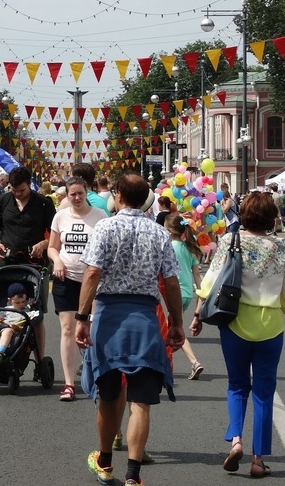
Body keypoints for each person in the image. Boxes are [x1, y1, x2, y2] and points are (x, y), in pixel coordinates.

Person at [75, 173, 185, 486]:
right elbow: (171, 281)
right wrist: (176, 322)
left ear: (119, 196)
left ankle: (105, 461)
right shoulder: (159, 232)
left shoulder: (105, 227)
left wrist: (83, 317)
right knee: (141, 401)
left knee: (109, 395)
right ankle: (134, 475)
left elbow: (93, 272)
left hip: (109, 317)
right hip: (145, 318)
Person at [191, 191, 285, 479]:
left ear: (245, 214)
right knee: (264, 393)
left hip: (235, 322)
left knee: (237, 385)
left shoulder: (230, 240)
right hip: (270, 326)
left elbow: (211, 281)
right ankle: (258, 459)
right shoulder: (279, 248)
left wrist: (197, 315)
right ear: (271, 218)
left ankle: (236, 440)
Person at [47, 177, 107, 402]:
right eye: (72, 194)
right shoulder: (60, 217)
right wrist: (57, 261)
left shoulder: (100, 217)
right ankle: (69, 384)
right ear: (67, 195)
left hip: (93, 282)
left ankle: (97, 377)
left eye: (80, 193)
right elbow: (52, 248)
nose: (77, 198)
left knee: (93, 330)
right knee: (68, 330)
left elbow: (107, 248)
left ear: (87, 192)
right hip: (66, 279)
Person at [0, 166, 56, 358]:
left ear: (30, 185)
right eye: (13, 189)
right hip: (7, 262)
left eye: (22, 190)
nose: (17, 194)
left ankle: (40, 359)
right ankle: (1, 349)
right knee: (3, 306)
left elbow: (56, 234)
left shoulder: (43, 203)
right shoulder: (3, 201)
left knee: (36, 314)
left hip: (34, 264)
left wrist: (43, 244)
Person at [164, 213, 205, 380]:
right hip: (188, 292)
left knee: (175, 327)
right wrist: (201, 295)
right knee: (169, 328)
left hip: (175, 292)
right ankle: (164, 360)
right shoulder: (189, 247)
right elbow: (196, 274)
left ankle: (194, 362)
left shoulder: (169, 247)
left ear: (170, 230)